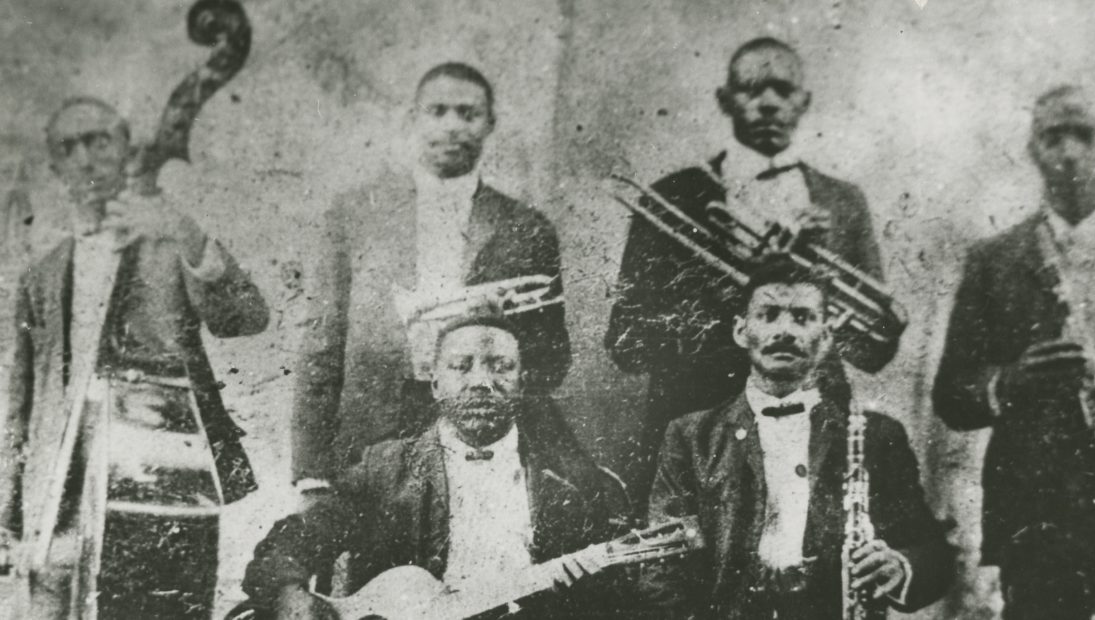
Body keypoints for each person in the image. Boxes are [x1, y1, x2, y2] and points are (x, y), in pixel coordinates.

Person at [0, 97, 268, 618]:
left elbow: (247, 317)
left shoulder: (168, 243)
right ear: (55, 166)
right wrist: (7, 514)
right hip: (55, 494)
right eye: (69, 147)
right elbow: (20, 403)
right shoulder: (42, 274)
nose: (85, 158)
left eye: (99, 140)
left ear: (125, 145)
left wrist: (182, 230)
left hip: (150, 479)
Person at [605, 37, 888, 507]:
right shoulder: (671, 197)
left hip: (814, 426)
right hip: (696, 425)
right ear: (724, 100)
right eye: (751, 89)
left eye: (782, 89)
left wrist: (812, 277)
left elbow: (873, 348)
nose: (769, 103)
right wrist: (745, 282)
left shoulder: (844, 203)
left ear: (804, 101)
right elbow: (627, 344)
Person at [291, 62, 572, 497]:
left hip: (483, 432)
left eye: (468, 113)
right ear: (412, 119)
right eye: (436, 111)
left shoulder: (528, 227)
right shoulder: (354, 214)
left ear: (490, 123)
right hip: (377, 432)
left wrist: (502, 335)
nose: (452, 127)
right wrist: (310, 471)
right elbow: (320, 350)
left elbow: (553, 363)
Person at [238, 313, 634, 620]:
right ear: (435, 384)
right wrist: (289, 593)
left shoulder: (569, 480)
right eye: (461, 366)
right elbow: (298, 538)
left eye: (501, 366)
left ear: (524, 383)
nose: (482, 381)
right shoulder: (386, 467)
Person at [642, 254, 950, 619]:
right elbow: (661, 566)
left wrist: (898, 566)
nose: (784, 330)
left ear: (826, 335)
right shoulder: (691, 436)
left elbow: (934, 555)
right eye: (768, 315)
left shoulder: (875, 436)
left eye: (802, 317)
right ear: (741, 331)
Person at [933, 85, 1095, 619]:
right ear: (1031, 150)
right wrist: (1010, 382)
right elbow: (951, 395)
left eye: (1084, 136)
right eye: (1053, 137)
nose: (1069, 152)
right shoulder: (995, 259)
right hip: (1036, 508)